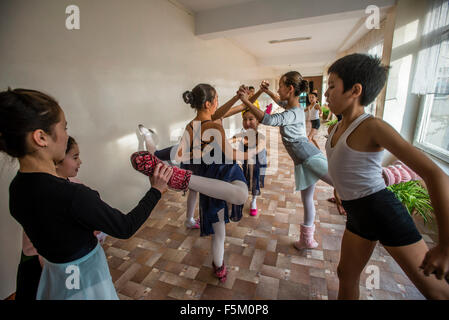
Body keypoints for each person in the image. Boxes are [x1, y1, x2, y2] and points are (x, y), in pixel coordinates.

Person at [0, 88, 173, 300]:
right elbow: (125, 227)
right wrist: (155, 190)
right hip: (83, 283)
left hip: (57, 279)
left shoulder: (17, 188)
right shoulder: (72, 195)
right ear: (41, 137)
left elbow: (56, 230)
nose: (66, 135)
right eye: (64, 127)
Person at [324, 53, 449, 299]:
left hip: (382, 211)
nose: (326, 93)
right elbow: (345, 166)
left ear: (355, 90)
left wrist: (445, 246)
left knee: (436, 291)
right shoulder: (336, 126)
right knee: (346, 273)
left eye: (331, 86)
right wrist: (339, 190)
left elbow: (435, 174)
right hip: (358, 213)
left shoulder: (372, 127)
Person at [131, 84, 251, 283]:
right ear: (208, 103)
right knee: (238, 198)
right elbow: (233, 154)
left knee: (158, 157)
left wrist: (238, 99)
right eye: (217, 100)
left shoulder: (191, 125)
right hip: (222, 173)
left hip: (202, 171)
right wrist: (255, 151)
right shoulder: (214, 127)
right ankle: (218, 265)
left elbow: (219, 114)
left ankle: (149, 138)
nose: (219, 104)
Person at [238, 72, 333, 250]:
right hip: (302, 163)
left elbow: (268, 119)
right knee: (307, 200)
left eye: (280, 86)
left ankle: (383, 178)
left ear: (290, 89)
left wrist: (245, 100)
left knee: (341, 184)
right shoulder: (291, 107)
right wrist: (267, 92)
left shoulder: (293, 113)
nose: (278, 90)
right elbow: (279, 101)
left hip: (310, 158)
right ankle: (307, 240)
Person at [231, 107, 267, 217]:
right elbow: (229, 140)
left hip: (257, 163)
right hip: (245, 162)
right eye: (244, 119)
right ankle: (243, 196)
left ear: (258, 121)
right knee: (244, 179)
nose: (247, 122)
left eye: (251, 119)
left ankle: (254, 201)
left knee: (255, 181)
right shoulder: (241, 135)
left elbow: (260, 148)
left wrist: (249, 153)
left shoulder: (260, 137)